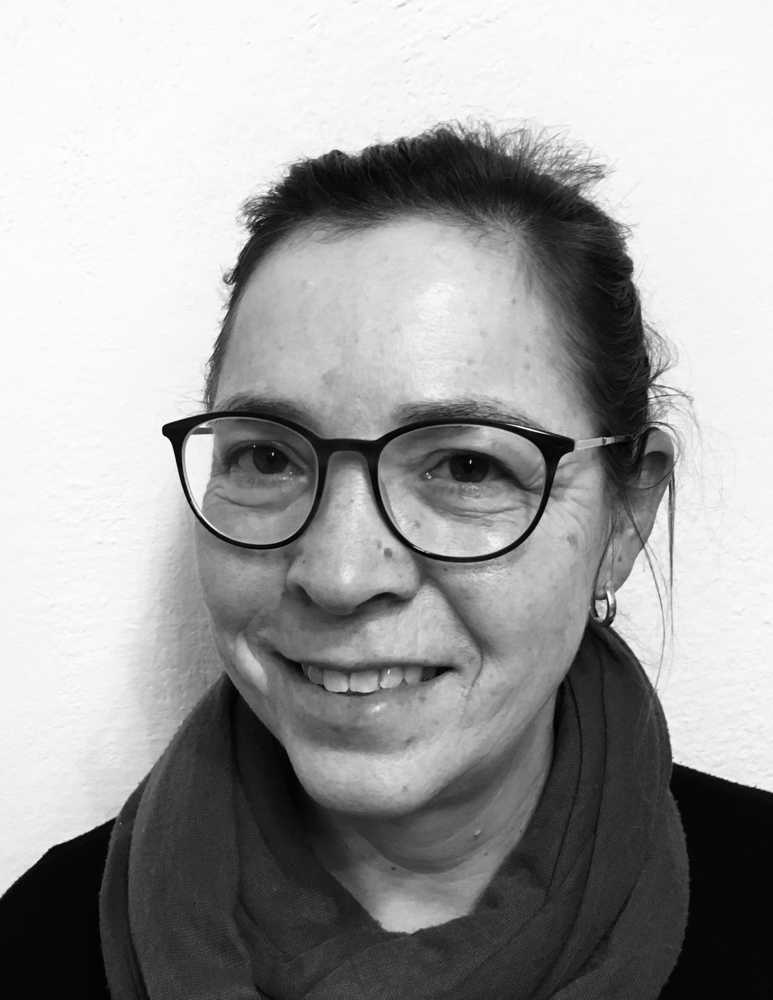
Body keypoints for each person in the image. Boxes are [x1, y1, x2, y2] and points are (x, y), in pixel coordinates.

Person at [2, 122, 772, 1000]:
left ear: (625, 519)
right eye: (268, 457)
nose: (338, 575)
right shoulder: (39, 946)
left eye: (466, 467)